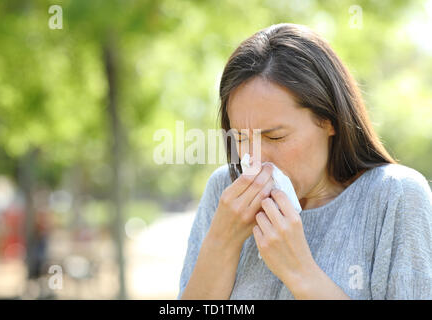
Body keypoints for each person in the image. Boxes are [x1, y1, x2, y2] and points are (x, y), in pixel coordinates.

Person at [177, 23, 432, 300]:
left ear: (329, 120)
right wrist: (222, 242)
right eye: (241, 138)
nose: (255, 160)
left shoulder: (394, 197)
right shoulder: (224, 192)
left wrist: (300, 273)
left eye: (275, 137)